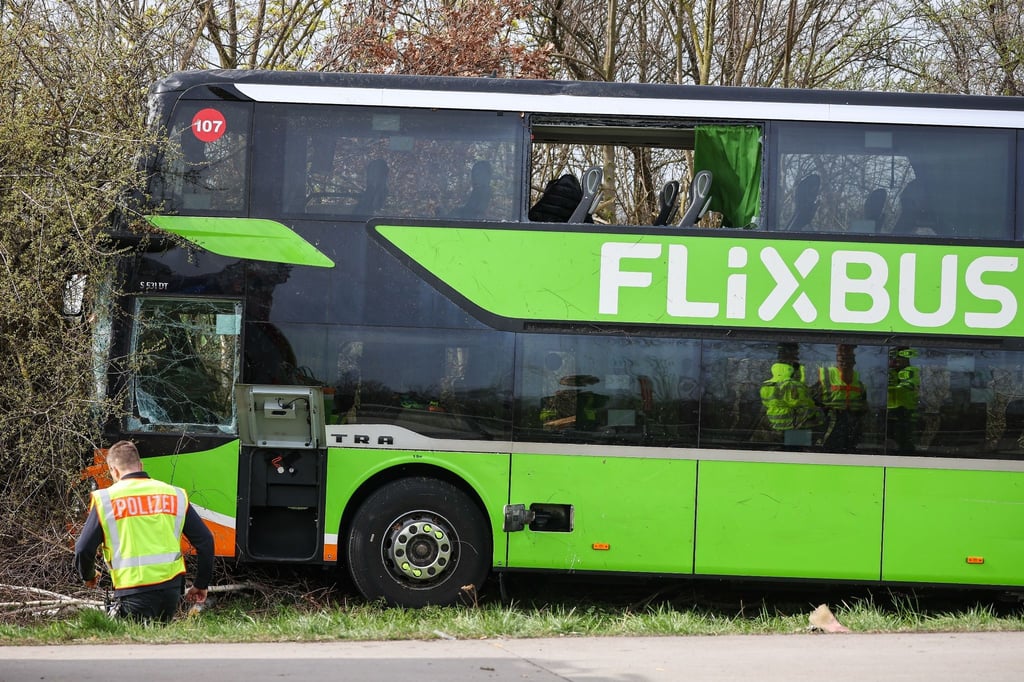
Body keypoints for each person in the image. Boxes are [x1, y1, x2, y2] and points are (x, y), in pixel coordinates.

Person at [74, 440, 214, 622]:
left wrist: (89, 576)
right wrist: (201, 584)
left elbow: (83, 549)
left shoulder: (107, 500)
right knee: (157, 641)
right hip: (171, 591)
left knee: (131, 645)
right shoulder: (174, 494)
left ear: (113, 470)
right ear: (140, 465)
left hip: (134, 590)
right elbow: (206, 540)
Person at [760, 343, 821, 449]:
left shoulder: (770, 381)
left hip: (775, 426)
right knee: (796, 456)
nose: (797, 357)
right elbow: (805, 407)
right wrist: (819, 411)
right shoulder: (790, 382)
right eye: (795, 354)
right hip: (795, 428)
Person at [817, 344, 868, 452]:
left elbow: (864, 407)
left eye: (849, 359)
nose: (845, 362)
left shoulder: (860, 382)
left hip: (851, 427)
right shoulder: (825, 376)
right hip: (830, 424)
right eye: (842, 359)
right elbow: (814, 401)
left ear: (854, 362)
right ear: (837, 359)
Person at [887, 347, 920, 454]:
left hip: (905, 411)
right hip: (889, 411)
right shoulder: (890, 371)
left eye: (900, 357)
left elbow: (905, 387)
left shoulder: (911, 371)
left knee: (904, 439)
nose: (896, 360)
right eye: (894, 357)